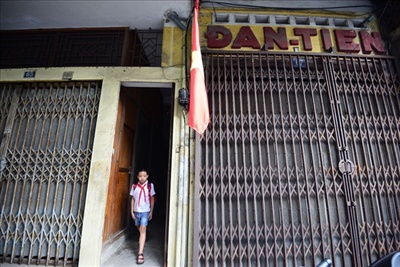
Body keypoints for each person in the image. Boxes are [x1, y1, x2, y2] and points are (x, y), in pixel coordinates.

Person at [130, 169, 156, 265]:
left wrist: (151, 211)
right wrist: (132, 211)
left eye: (144, 176)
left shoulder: (150, 186)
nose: (142, 178)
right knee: (139, 228)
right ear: (137, 176)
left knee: (143, 229)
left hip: (145, 211)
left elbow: (152, 198)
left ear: (147, 176)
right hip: (137, 211)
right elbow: (133, 199)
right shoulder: (134, 186)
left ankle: (140, 253)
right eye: (140, 176)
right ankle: (142, 237)